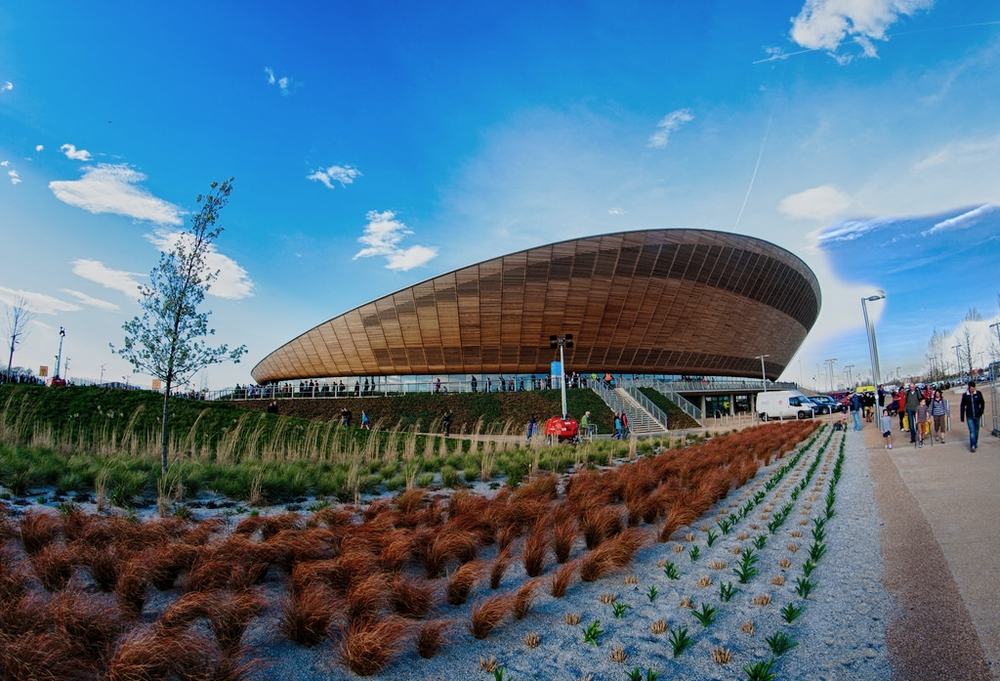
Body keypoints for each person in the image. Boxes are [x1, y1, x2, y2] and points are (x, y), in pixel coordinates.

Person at [959, 381, 986, 453]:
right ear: (969, 388)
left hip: (977, 415)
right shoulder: (965, 395)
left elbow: (982, 403)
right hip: (969, 416)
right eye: (971, 388)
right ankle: (972, 446)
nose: (972, 389)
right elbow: (962, 406)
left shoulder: (978, 393)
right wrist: (962, 416)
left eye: (973, 388)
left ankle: (975, 442)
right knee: (972, 431)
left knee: (976, 431)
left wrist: (981, 411)